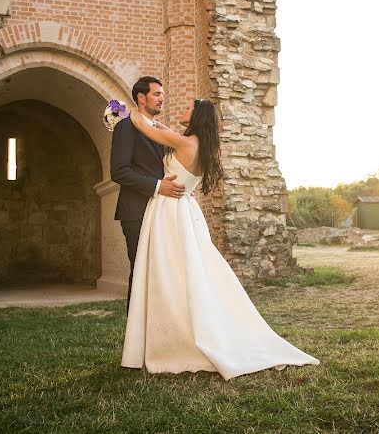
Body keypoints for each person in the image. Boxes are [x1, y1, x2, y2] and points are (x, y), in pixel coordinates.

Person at [121, 98, 319, 380]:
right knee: (184, 270)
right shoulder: (197, 144)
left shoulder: (185, 144)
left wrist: (120, 109)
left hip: (170, 211)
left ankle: (177, 337)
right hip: (185, 210)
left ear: (197, 116)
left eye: (188, 108)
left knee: (169, 271)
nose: (183, 109)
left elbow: (143, 125)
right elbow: (163, 128)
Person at [110, 76, 185, 314]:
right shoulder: (126, 126)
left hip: (160, 211)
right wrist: (156, 186)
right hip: (136, 211)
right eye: (157, 94)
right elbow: (119, 171)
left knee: (159, 271)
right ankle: (136, 329)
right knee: (141, 270)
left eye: (163, 94)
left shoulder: (158, 131)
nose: (162, 99)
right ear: (141, 98)